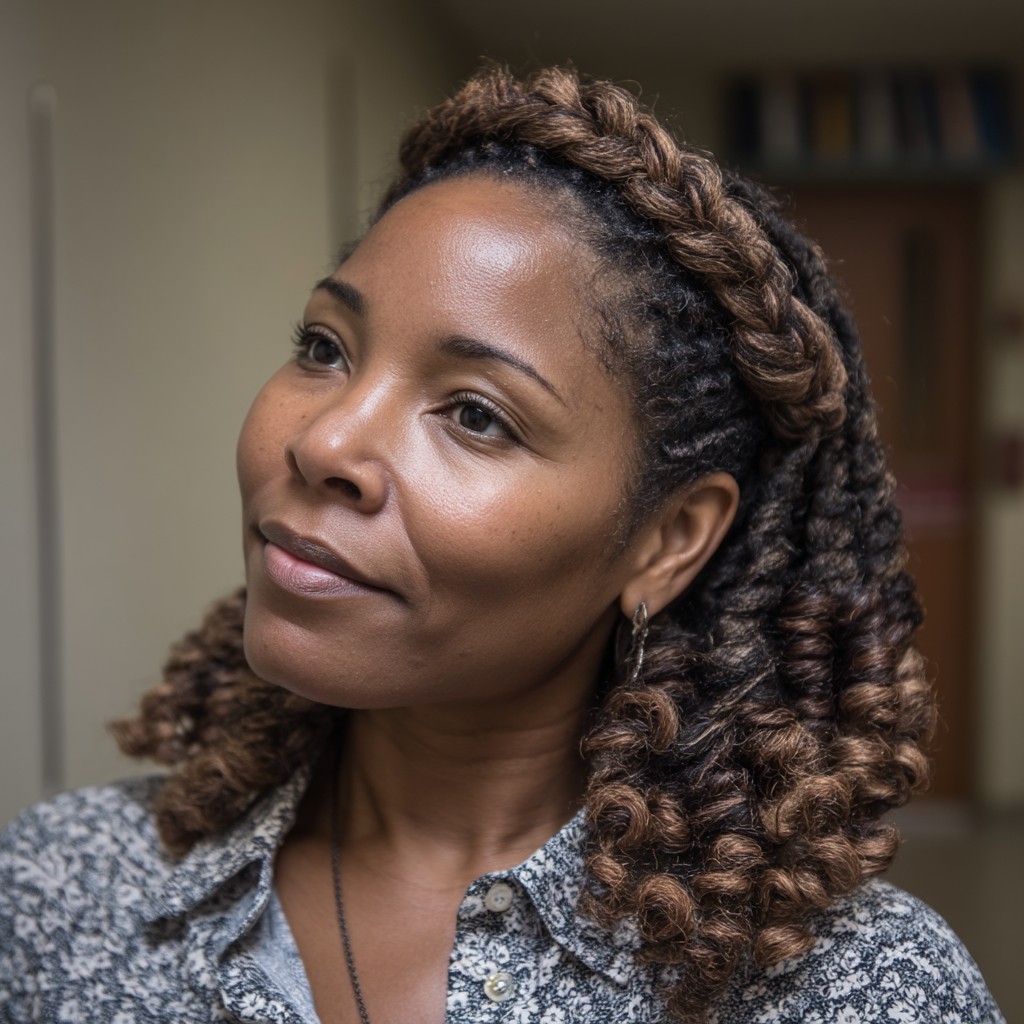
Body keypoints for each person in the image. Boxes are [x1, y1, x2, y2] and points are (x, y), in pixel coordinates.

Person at [0, 66, 1004, 1024]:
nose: (323, 441)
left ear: (667, 539)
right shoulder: (60, 890)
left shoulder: (854, 990)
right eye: (323, 347)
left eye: (476, 414)